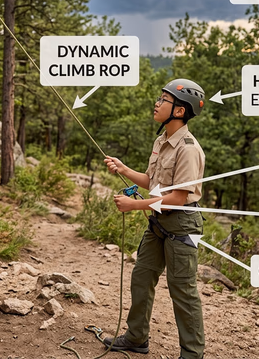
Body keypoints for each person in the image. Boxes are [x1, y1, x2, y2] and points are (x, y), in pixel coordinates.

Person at [102, 79, 206, 359]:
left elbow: (177, 199)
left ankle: (192, 355)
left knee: (183, 291)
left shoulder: (188, 149)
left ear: (180, 111)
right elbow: (153, 182)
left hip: (183, 226)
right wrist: (124, 168)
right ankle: (136, 339)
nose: (157, 103)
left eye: (164, 99)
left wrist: (133, 206)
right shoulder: (162, 140)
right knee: (142, 276)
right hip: (159, 225)